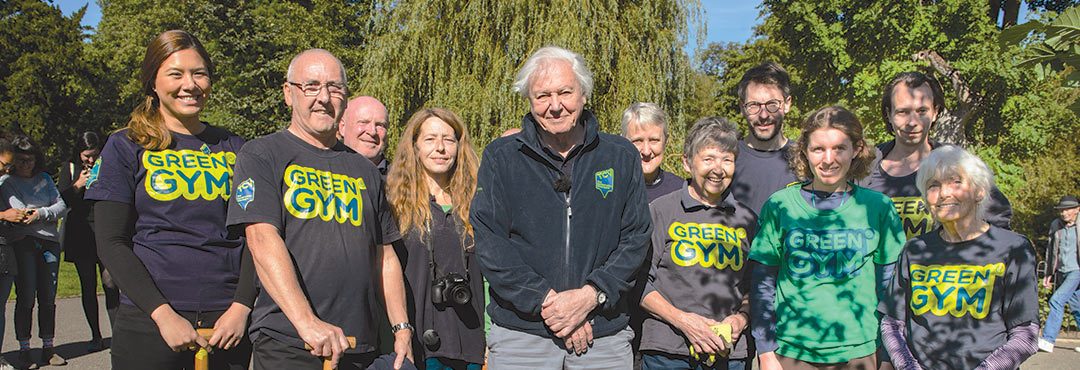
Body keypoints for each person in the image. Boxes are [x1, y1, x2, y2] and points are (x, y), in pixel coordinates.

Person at [226, 48, 413, 370]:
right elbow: (261, 239)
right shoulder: (262, 154)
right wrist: (306, 322)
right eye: (311, 86)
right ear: (289, 93)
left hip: (358, 344)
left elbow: (384, 257)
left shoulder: (365, 170)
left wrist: (401, 328)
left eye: (335, 88)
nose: (324, 98)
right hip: (290, 341)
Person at [472, 45, 651, 369]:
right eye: (542, 96)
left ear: (584, 94)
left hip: (603, 333)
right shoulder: (501, 158)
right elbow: (491, 243)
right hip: (522, 337)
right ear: (528, 99)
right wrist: (551, 304)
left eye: (565, 92)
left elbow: (636, 237)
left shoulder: (620, 156)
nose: (555, 106)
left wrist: (589, 296)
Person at [86, 30, 255, 370]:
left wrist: (241, 308)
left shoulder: (237, 148)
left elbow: (257, 237)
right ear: (153, 82)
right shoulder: (125, 145)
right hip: (150, 321)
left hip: (227, 325)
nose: (189, 85)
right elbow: (110, 241)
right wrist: (163, 316)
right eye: (176, 74)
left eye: (199, 73)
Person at [749, 106, 905, 370]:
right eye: (818, 149)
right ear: (804, 152)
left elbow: (891, 288)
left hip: (860, 353)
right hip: (792, 353)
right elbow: (763, 284)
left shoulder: (877, 207)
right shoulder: (780, 206)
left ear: (856, 149)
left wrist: (889, 355)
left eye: (839, 148)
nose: (828, 159)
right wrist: (766, 352)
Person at [880, 145, 1039, 370]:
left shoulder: (1013, 248)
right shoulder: (914, 249)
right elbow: (892, 323)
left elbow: (1026, 334)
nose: (945, 193)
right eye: (933, 185)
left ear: (979, 191)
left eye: (956, 182)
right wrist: (908, 367)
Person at [639, 117, 757, 370]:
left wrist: (742, 319)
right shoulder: (661, 211)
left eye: (727, 160)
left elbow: (754, 285)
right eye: (708, 159)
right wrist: (685, 322)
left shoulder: (747, 219)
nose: (718, 168)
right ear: (687, 162)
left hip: (730, 354)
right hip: (668, 353)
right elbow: (639, 284)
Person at [387, 108, 485, 370]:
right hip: (416, 340)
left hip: (470, 341)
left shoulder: (478, 203)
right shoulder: (394, 204)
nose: (440, 148)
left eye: (449, 139)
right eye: (430, 139)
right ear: (415, 146)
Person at [860, 71, 1013, 237]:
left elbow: (998, 220)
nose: (912, 122)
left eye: (922, 111)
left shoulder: (958, 164)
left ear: (935, 112)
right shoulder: (863, 167)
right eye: (902, 112)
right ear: (889, 114)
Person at [1, 135, 69, 368]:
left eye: (30, 160)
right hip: (25, 243)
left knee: (48, 298)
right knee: (26, 297)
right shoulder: (7, 182)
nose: (26, 164)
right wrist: (43, 211)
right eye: (21, 160)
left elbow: (60, 206)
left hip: (50, 243)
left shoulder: (45, 179)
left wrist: (40, 214)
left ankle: (48, 348)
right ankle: (24, 349)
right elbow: (20, 213)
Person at [57, 131, 119, 351]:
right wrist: (79, 184)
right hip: (81, 233)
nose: (91, 160)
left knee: (111, 283)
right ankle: (96, 335)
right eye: (86, 156)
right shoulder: (71, 168)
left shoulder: (109, 166)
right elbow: (60, 200)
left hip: (104, 230)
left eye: (94, 155)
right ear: (79, 153)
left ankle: (117, 337)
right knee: (88, 286)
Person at [730, 62, 800, 215]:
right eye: (754, 105)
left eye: (772, 104)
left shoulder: (805, 160)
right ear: (742, 107)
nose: (763, 115)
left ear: (787, 104)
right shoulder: (727, 160)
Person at [1038, 195, 1080, 353]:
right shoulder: (1056, 225)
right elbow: (1051, 250)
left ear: (1077, 209)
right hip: (1063, 271)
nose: (1064, 213)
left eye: (1068, 209)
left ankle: (1048, 340)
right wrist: (1049, 273)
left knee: (1056, 300)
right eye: (1062, 210)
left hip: (1077, 270)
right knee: (1077, 307)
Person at [0, 137, 27, 370]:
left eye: (9, 166)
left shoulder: (3, 183)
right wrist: (4, 215)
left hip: (5, 251)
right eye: (4, 165)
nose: (7, 170)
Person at [622, 102, 684, 203]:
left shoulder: (680, 191)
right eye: (638, 141)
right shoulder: (612, 189)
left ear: (665, 142)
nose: (646, 151)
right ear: (623, 142)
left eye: (654, 140)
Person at [340, 96, 391, 175]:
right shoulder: (324, 172)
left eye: (380, 125)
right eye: (363, 122)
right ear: (342, 127)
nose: (372, 131)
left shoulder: (402, 181)